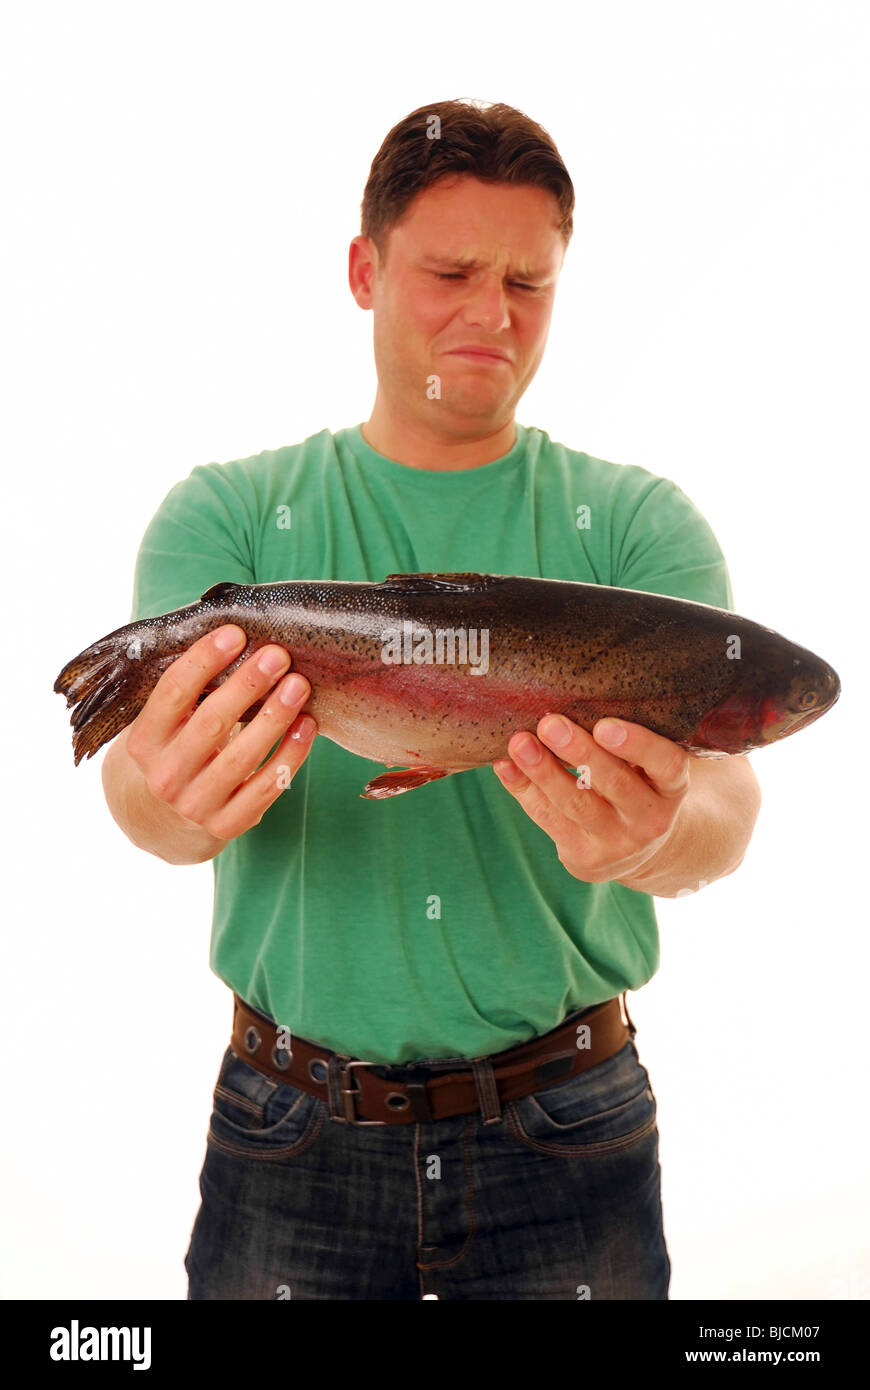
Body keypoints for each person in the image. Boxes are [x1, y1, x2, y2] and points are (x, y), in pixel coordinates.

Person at [101, 98, 761, 1300]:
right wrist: (178, 802)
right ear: (364, 270)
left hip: (573, 1115)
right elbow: (140, 797)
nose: (490, 314)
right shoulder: (230, 522)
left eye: (529, 280)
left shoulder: (638, 526)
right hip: (285, 1121)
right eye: (450, 270)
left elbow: (727, 798)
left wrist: (660, 831)